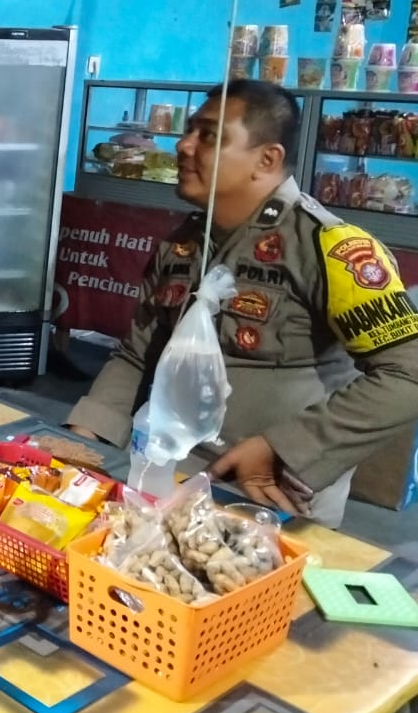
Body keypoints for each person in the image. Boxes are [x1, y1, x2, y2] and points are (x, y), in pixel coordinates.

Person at [66, 79, 418, 527]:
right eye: (190, 131)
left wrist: (285, 448)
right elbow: (139, 353)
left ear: (266, 159)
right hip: (159, 481)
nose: (184, 146)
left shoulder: (330, 248)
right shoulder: (183, 244)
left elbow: (409, 373)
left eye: (210, 136)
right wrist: (85, 438)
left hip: (265, 498)